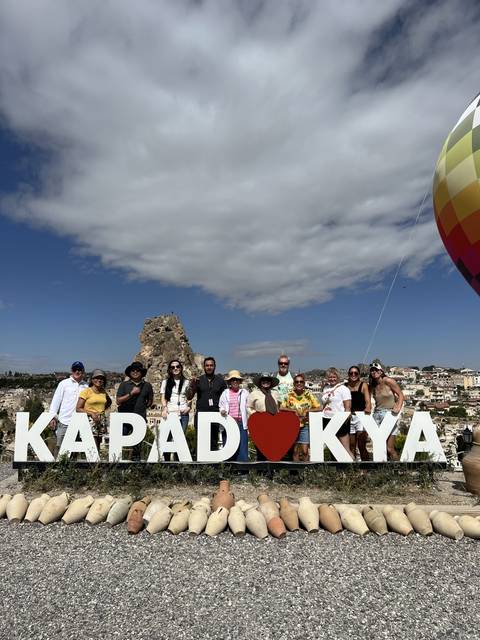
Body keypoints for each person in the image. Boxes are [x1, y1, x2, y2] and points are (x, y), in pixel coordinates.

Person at [187, 357, 227, 454]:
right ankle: (200, 466)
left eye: (211, 365)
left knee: (213, 441)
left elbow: (225, 399)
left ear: (215, 367)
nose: (209, 367)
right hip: (201, 414)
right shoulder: (198, 380)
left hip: (215, 415)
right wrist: (193, 385)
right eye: (207, 365)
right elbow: (189, 396)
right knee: (200, 440)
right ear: (204, 367)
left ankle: (212, 467)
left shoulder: (221, 381)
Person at [116, 361, 154, 460]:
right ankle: (117, 463)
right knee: (119, 443)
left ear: (142, 373)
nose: (135, 372)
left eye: (138, 370)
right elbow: (118, 401)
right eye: (133, 370)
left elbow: (150, 401)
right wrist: (131, 394)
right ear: (130, 372)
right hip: (124, 419)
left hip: (139, 419)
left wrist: (143, 406)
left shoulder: (147, 386)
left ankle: (136, 467)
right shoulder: (124, 385)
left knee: (137, 447)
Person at [369, 361, 404, 461]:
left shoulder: (388, 381)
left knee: (389, 448)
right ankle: (385, 472)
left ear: (381, 371)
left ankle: (401, 471)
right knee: (380, 448)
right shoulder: (373, 385)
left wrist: (398, 407)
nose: (374, 372)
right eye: (372, 370)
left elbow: (401, 395)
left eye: (376, 370)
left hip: (389, 415)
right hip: (376, 415)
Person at [281, 373, 321, 461]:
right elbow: (281, 408)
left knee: (305, 451)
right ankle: (296, 473)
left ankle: (305, 472)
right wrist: (293, 411)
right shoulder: (289, 395)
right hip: (292, 426)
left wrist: (308, 410)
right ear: (294, 384)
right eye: (297, 381)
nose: (299, 383)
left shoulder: (309, 395)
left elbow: (319, 407)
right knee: (295, 451)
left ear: (304, 383)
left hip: (305, 425)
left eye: (301, 381)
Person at [49, 361, 88, 449]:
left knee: (75, 451)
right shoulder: (64, 384)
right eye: (75, 369)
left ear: (83, 371)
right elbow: (56, 401)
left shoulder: (87, 386)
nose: (77, 372)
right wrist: (52, 417)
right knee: (60, 448)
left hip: (80, 423)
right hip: (64, 422)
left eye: (79, 370)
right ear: (71, 371)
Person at [160, 360, 191, 461]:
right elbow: (163, 397)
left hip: (183, 413)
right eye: (173, 367)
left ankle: (178, 463)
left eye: (177, 366)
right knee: (167, 439)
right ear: (170, 369)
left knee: (180, 440)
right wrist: (164, 409)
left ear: (181, 368)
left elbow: (189, 397)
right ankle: (167, 463)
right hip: (170, 413)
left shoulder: (187, 382)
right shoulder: (165, 382)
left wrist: (188, 408)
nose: (175, 369)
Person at [247, 372, 280, 461]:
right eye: (263, 380)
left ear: (271, 382)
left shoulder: (275, 393)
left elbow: (278, 408)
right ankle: (261, 472)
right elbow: (248, 407)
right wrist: (257, 415)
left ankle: (272, 472)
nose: (266, 382)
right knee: (260, 450)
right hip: (260, 425)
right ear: (260, 382)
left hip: (273, 425)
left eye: (268, 380)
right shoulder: (254, 394)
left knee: (273, 448)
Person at [76, 369, 112, 451]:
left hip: (100, 421)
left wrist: (101, 413)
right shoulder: (86, 391)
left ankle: (96, 463)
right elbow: (78, 408)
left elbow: (109, 402)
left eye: (101, 378)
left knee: (98, 444)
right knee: (92, 445)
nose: (99, 380)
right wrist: (92, 413)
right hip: (90, 420)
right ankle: (92, 463)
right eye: (96, 378)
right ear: (92, 379)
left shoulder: (103, 392)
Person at [321, 367, 353, 459]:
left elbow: (348, 407)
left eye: (334, 377)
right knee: (332, 447)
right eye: (330, 377)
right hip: (326, 418)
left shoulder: (343, 389)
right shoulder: (326, 388)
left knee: (344, 448)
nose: (332, 379)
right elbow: (324, 403)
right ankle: (337, 471)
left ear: (338, 377)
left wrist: (346, 420)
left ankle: (353, 468)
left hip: (339, 419)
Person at [219, 370, 250, 461]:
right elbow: (221, 406)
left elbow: (249, 406)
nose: (235, 381)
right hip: (229, 423)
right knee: (229, 446)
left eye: (237, 380)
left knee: (242, 447)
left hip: (241, 423)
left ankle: (243, 471)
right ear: (230, 382)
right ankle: (230, 470)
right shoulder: (225, 393)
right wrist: (222, 411)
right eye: (233, 380)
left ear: (240, 381)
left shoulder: (245, 393)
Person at [346, 365, 372, 461]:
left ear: (359, 375)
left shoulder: (363, 385)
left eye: (355, 373)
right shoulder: (344, 386)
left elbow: (368, 401)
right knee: (351, 445)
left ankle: (366, 467)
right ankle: (354, 468)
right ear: (348, 374)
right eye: (351, 373)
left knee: (361, 444)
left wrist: (368, 407)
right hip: (349, 417)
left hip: (361, 417)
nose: (353, 375)